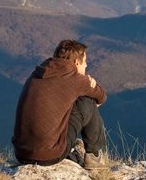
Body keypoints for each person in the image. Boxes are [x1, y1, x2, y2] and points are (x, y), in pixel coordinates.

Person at [12, 39, 108, 169]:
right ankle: (93, 156)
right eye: (84, 62)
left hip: (21, 154)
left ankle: (72, 150)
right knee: (87, 100)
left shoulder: (37, 73)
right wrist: (91, 83)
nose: (86, 66)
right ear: (76, 62)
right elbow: (101, 97)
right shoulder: (75, 79)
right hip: (49, 156)